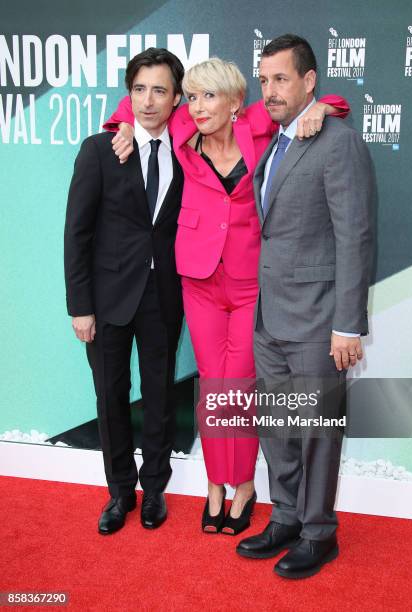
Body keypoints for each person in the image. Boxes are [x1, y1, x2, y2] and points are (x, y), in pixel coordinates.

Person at [104, 57, 349, 535]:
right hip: (197, 278)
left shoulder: (256, 123)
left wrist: (322, 107)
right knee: (212, 386)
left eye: (208, 96)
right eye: (191, 96)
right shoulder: (181, 125)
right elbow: (134, 104)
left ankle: (243, 485)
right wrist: (122, 125)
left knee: (237, 386)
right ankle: (218, 483)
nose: (196, 106)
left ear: (236, 103)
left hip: (250, 278)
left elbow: (331, 101)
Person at [235, 34, 374, 578]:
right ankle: (287, 515)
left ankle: (319, 533)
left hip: (320, 320)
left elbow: (354, 237)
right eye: (264, 79)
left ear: (310, 81)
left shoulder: (337, 143)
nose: (270, 90)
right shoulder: (276, 141)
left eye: (282, 79)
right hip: (270, 317)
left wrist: (347, 324)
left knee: (317, 431)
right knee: (277, 425)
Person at [64, 48, 185, 535]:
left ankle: (155, 488)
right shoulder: (100, 149)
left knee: (158, 394)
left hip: (163, 295)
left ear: (177, 98)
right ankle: (119, 493)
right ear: (127, 94)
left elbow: (249, 116)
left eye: (159, 90)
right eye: (139, 89)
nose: (148, 101)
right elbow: (77, 233)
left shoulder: (191, 150)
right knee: (110, 397)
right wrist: (80, 307)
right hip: (108, 297)